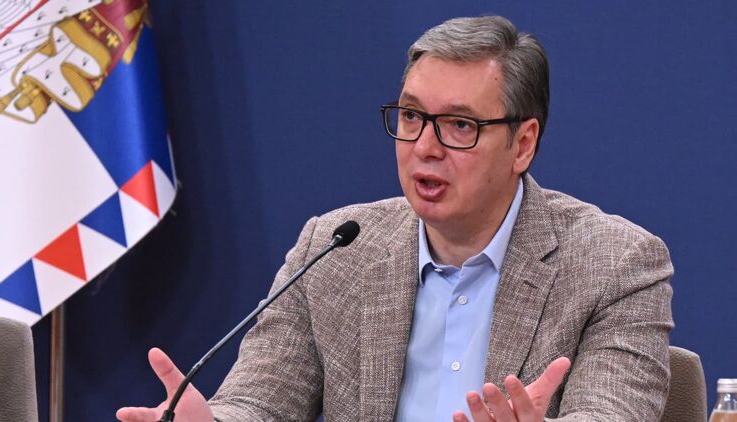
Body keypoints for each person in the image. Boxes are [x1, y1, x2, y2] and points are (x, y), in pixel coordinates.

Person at [117, 15, 673, 422]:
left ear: (523, 144)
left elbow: (611, 412)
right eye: (411, 116)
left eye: (459, 126)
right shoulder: (335, 248)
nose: (424, 147)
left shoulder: (614, 265)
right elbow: (260, 402)